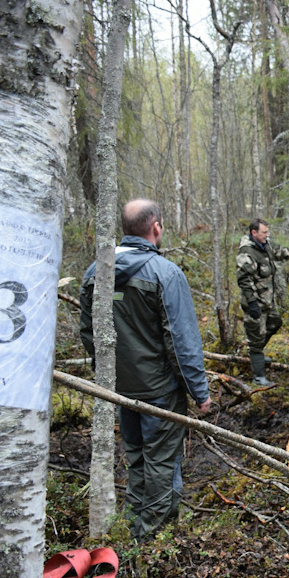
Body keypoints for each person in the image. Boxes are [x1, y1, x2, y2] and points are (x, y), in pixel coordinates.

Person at [80, 199, 212, 540]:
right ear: (156, 227)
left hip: (120, 388)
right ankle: (153, 538)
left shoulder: (97, 272)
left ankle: (134, 521)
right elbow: (181, 343)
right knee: (161, 461)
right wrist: (200, 393)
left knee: (136, 453)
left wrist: (108, 376)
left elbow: (89, 333)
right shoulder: (165, 274)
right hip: (159, 391)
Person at [236, 219, 289, 385]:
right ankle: (258, 377)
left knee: (275, 322)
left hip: (267, 301)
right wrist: (252, 303)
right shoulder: (247, 253)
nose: (267, 235)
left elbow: (283, 252)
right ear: (254, 233)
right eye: (264, 233)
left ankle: (257, 353)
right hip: (254, 303)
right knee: (255, 337)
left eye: (268, 232)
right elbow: (244, 280)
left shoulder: (265, 246)